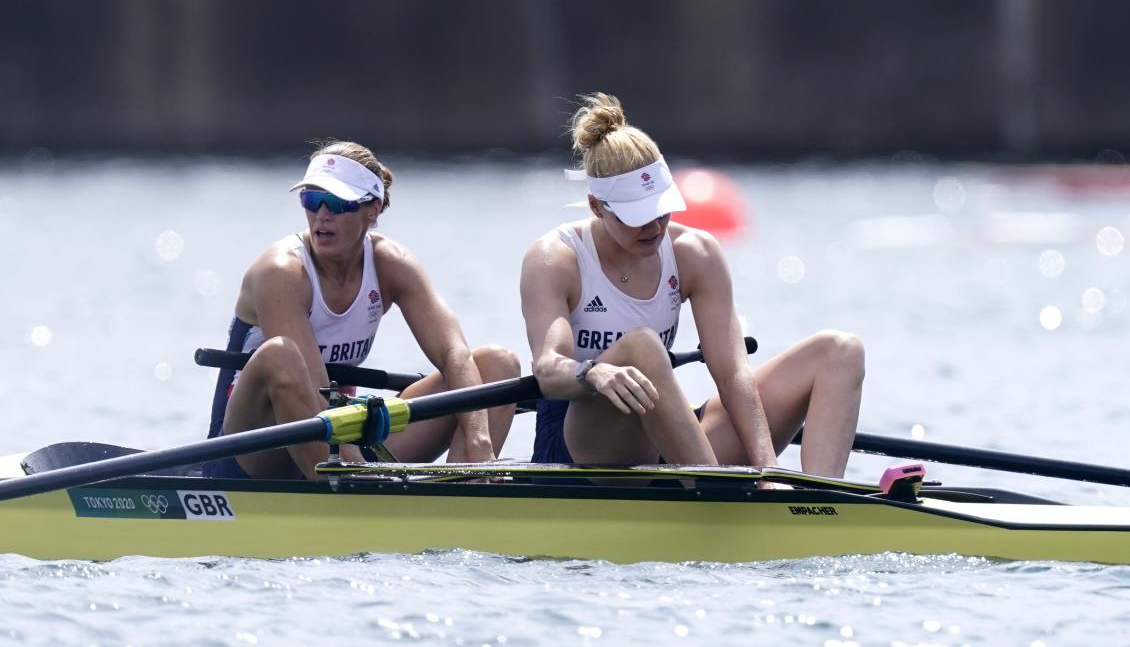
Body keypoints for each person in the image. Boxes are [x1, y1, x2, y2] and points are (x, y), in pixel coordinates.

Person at [520, 94, 864, 477]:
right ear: (597, 207)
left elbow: (733, 374)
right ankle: (710, 490)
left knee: (840, 351)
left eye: (661, 210)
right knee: (642, 347)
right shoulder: (556, 259)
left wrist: (768, 470)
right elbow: (548, 371)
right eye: (638, 217)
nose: (654, 227)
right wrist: (594, 374)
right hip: (578, 448)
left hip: (666, 434)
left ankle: (819, 504)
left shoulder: (694, 253)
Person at [205, 141, 520, 480]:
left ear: (373, 210)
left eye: (337, 202)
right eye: (311, 200)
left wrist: (478, 436)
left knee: (497, 365)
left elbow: (453, 353)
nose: (321, 215)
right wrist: (361, 470)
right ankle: (359, 487)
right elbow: (316, 390)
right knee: (281, 355)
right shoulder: (282, 271)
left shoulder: (390, 264)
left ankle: (464, 493)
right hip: (250, 447)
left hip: (339, 435)